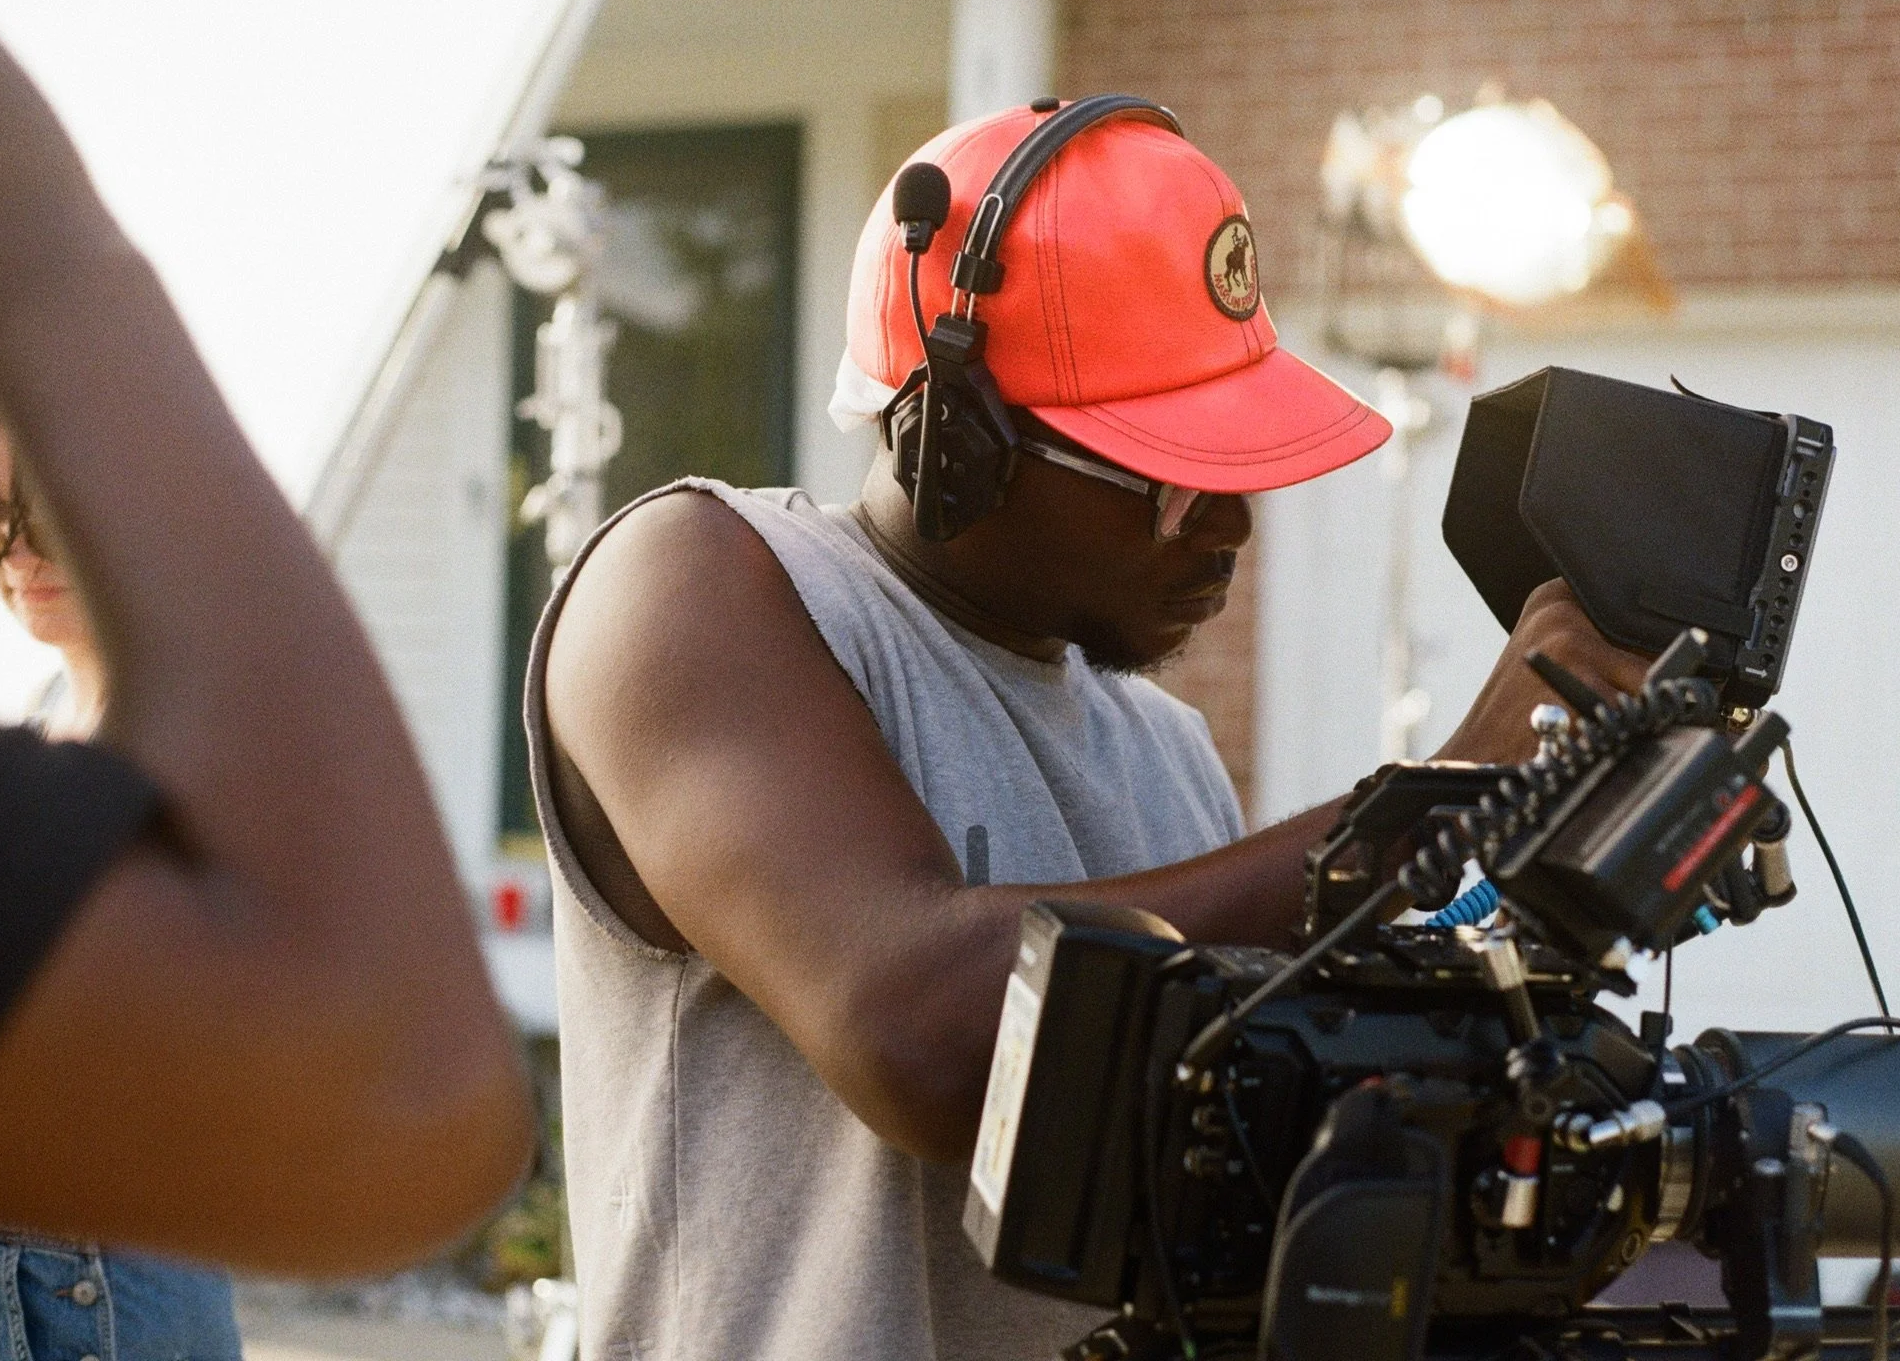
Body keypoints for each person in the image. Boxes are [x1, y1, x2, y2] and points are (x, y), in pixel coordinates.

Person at [528, 97, 1650, 1361]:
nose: (1229, 520)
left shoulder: (1167, 754)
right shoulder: (696, 582)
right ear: (956, 435)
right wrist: (1437, 802)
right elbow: (927, 1037)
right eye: (1171, 469)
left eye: (1246, 462)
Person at [0, 11, 534, 1272]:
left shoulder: (193, 809)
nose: (15, 557)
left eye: (51, 511)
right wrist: (33, 221)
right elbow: (406, 1094)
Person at [0, 369, 244, 1359]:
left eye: (49, 513)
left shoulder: (188, 729)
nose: (16, 554)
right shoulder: (54, 717)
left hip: (79, 1291)